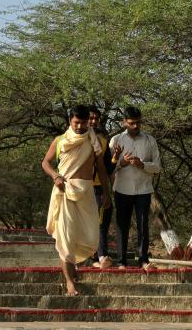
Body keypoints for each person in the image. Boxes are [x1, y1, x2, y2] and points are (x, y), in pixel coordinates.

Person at [42, 105, 111, 296]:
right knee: (65, 239)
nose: (80, 126)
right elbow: (45, 162)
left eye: (83, 122)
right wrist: (55, 176)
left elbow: (101, 169)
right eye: (76, 122)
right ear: (70, 121)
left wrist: (106, 192)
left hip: (87, 192)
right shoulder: (60, 140)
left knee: (90, 237)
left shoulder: (94, 141)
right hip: (64, 191)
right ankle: (70, 283)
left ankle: (74, 268)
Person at [109, 106, 162, 271]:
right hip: (122, 188)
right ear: (124, 122)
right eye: (131, 123)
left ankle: (143, 260)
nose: (135, 126)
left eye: (138, 123)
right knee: (122, 225)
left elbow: (158, 167)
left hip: (144, 189)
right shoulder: (116, 140)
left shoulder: (150, 140)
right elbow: (108, 168)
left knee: (142, 224)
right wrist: (122, 163)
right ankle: (121, 261)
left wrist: (142, 164)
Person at [88, 106, 115, 269]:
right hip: (77, 188)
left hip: (98, 187)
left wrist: (109, 191)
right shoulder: (72, 139)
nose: (93, 121)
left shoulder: (103, 142)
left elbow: (107, 168)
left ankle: (101, 255)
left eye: (96, 119)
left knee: (102, 220)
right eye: (90, 118)